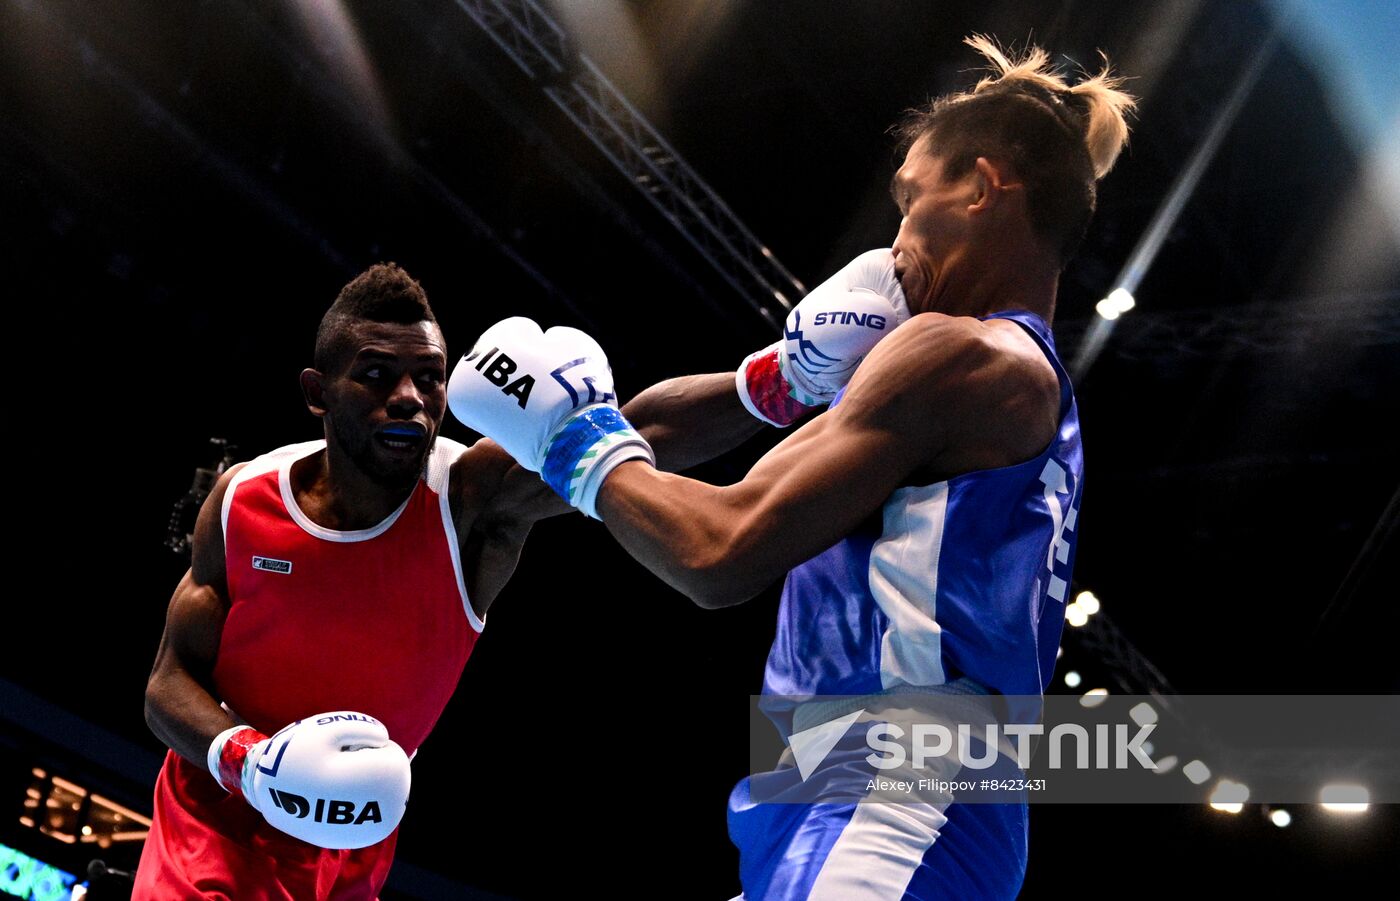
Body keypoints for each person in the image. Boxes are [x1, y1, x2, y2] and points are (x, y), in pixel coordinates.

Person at [446, 35, 1135, 900]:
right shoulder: (976, 371)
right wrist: (471, 487)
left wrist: (576, 443)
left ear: (982, 186)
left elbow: (719, 549)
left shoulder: (964, 358)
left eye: (909, 199)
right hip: (833, 796)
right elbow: (671, 431)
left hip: (896, 802)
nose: (897, 237)